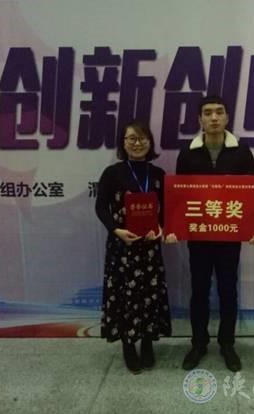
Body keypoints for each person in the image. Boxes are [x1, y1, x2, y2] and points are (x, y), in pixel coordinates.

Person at [172, 95, 254, 372]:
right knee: (199, 291)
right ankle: (198, 343)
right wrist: (175, 228)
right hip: (199, 236)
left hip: (229, 236)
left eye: (219, 112)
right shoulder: (188, 153)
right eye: (208, 113)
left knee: (228, 290)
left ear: (227, 117)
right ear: (200, 119)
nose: (214, 117)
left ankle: (227, 344)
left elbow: (249, 197)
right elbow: (180, 197)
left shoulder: (241, 152)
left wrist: (253, 229)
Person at [95, 120, 171, 374]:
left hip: (150, 248)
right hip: (122, 248)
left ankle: (148, 342)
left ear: (150, 142)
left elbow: (168, 209)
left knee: (150, 295)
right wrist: (116, 230)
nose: (137, 143)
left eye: (142, 139)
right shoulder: (112, 173)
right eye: (132, 139)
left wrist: (160, 228)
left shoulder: (158, 174)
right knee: (125, 297)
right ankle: (128, 345)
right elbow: (101, 207)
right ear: (123, 143)